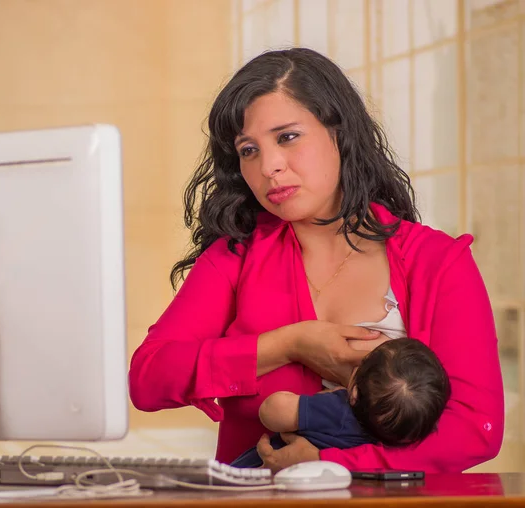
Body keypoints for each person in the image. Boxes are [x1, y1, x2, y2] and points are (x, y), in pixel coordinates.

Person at [129, 47, 504, 473]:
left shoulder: (438, 261)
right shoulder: (233, 258)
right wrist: (288, 344)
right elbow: (148, 378)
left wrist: (334, 462)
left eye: (287, 137)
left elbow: (477, 428)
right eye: (248, 150)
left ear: (338, 132)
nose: (269, 165)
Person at [230, 338, 451, 468]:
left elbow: (272, 412)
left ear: (353, 393)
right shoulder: (399, 439)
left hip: (253, 476)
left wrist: (321, 399)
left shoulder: (339, 410)